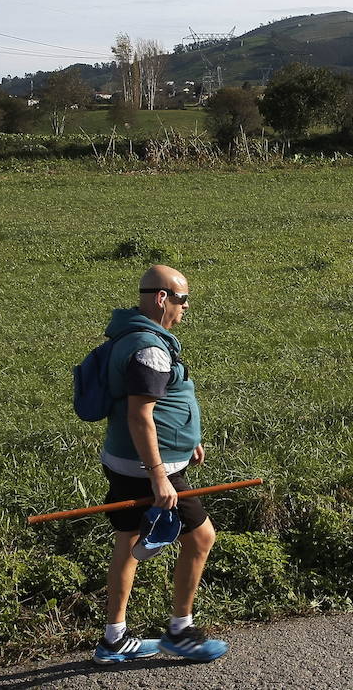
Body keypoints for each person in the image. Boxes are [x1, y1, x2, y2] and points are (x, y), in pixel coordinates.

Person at [91, 265, 229, 665]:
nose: (186, 307)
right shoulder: (149, 348)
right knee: (201, 538)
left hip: (129, 459)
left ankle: (114, 640)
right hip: (148, 467)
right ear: (161, 298)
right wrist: (159, 476)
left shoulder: (131, 334)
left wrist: (189, 440)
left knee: (129, 544)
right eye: (183, 299)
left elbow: (161, 402)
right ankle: (180, 633)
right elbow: (140, 415)